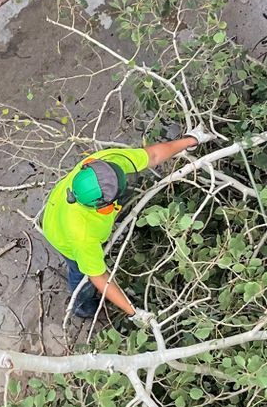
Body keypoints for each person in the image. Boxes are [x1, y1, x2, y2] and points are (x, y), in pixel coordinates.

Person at [41, 134, 200, 322]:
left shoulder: (108, 162)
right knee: (80, 272)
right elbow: (99, 276)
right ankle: (81, 306)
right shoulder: (83, 236)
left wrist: (189, 141)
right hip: (60, 235)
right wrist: (134, 312)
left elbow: (154, 155)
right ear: (103, 206)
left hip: (60, 207)